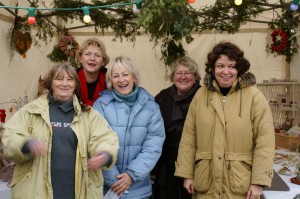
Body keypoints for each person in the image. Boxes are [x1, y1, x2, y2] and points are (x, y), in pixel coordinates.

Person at [2, 63, 119, 199]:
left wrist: (104, 154)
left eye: (70, 79)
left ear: (75, 85)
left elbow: (105, 138)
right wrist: (26, 144)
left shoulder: (88, 114)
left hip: (79, 192)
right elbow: (10, 138)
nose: (65, 83)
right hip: (35, 192)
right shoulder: (30, 111)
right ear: (50, 83)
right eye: (59, 78)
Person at [174, 42, 275, 199]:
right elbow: (189, 137)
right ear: (213, 69)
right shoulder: (201, 96)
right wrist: (187, 174)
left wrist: (259, 182)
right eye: (220, 66)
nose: (225, 71)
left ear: (238, 69)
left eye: (232, 66)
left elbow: (265, 143)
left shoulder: (254, 97)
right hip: (205, 182)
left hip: (239, 184)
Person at [93, 56, 165, 199]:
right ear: (110, 81)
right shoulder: (100, 105)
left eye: (125, 74)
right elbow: (96, 142)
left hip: (139, 189)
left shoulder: (151, 106)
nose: (121, 80)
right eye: (116, 76)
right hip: (107, 189)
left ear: (134, 77)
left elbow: (153, 145)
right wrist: (114, 179)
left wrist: (131, 175)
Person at [151, 56, 201, 199]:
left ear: (195, 76)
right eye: (178, 73)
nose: (183, 77)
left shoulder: (203, 97)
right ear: (172, 76)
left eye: (188, 73)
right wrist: (154, 170)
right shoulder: (162, 98)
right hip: (168, 168)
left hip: (196, 167)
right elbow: (154, 134)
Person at [76, 38, 110, 106]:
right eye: (88, 54)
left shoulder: (110, 81)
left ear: (103, 61)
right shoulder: (71, 79)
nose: (92, 58)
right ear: (80, 58)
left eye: (97, 55)